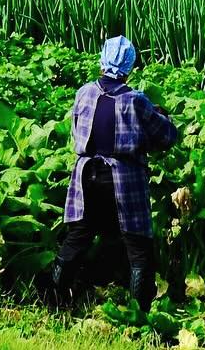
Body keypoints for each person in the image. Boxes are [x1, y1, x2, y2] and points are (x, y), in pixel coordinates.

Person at [49, 35, 179, 313]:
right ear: (130, 67)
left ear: (102, 61)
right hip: (123, 179)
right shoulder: (135, 101)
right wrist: (163, 117)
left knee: (78, 237)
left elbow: (76, 128)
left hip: (86, 176)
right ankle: (139, 314)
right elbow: (165, 136)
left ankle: (56, 303)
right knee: (138, 245)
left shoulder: (84, 92)